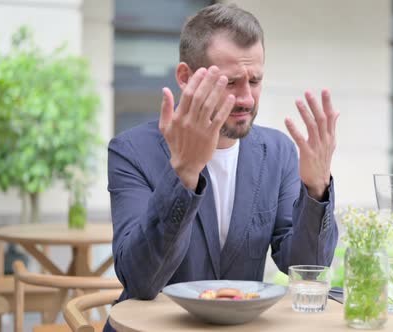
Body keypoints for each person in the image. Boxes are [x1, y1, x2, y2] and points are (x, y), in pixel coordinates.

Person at [105, 4, 339, 328]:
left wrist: (317, 189)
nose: (246, 99)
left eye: (254, 81)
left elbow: (304, 266)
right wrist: (184, 174)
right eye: (230, 83)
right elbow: (141, 281)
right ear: (186, 78)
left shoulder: (279, 152)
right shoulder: (131, 151)